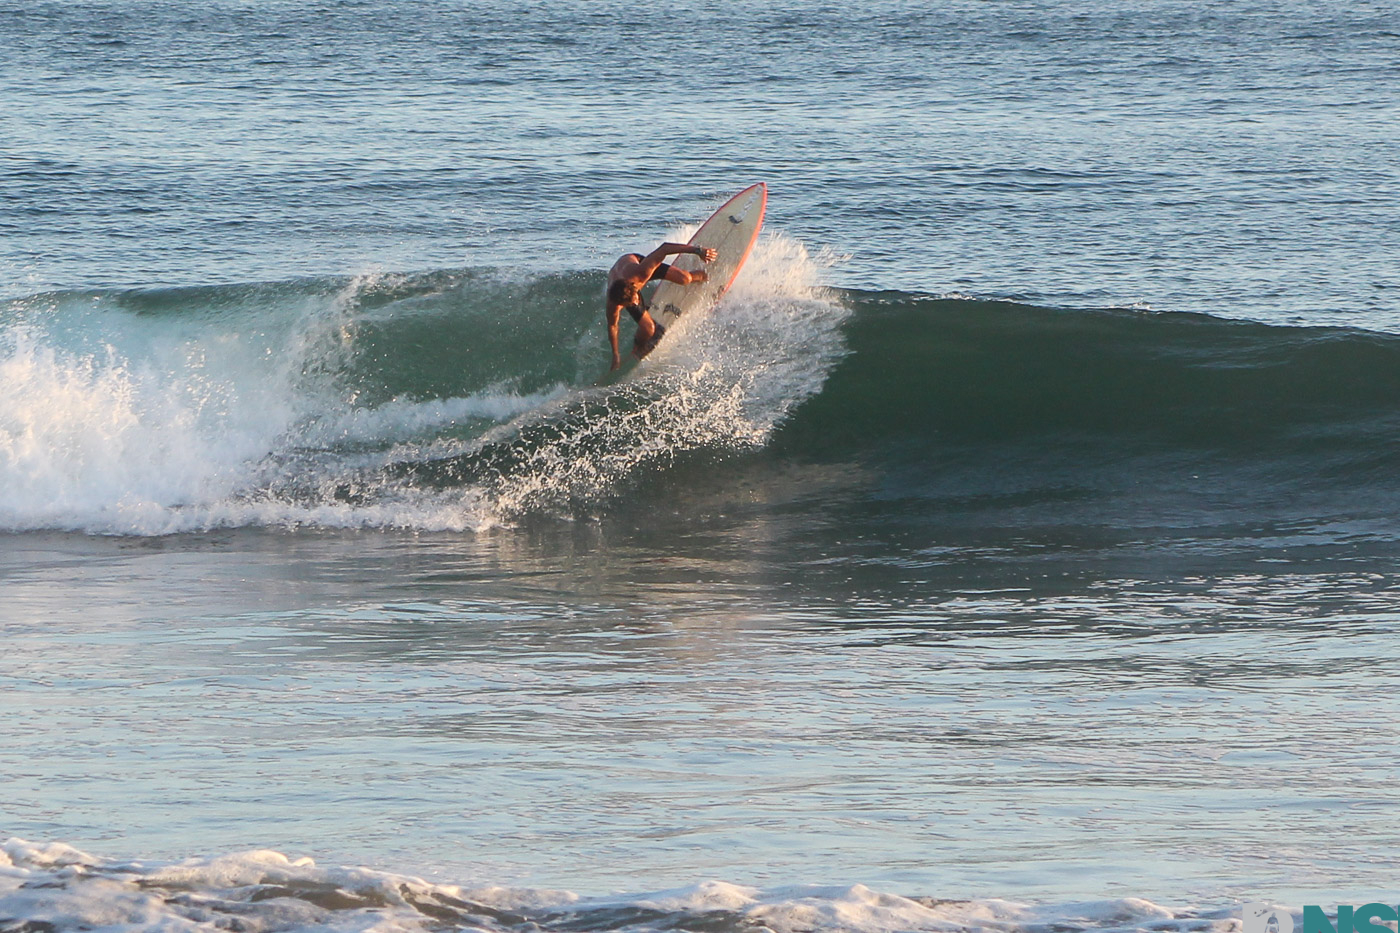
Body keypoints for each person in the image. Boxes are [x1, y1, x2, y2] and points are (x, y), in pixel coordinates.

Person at [605, 242, 717, 370]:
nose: (635, 302)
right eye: (631, 303)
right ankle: (639, 344)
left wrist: (698, 250)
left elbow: (665, 248)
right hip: (619, 284)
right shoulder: (613, 304)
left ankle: (704, 275)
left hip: (633, 263)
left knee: (684, 278)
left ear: (635, 288)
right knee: (649, 329)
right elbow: (613, 326)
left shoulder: (642, 272)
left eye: (634, 299)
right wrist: (615, 354)